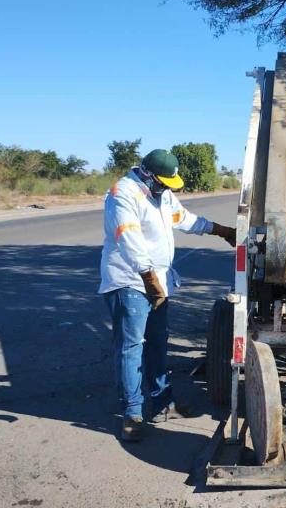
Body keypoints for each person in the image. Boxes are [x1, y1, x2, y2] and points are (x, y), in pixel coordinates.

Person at [98, 149, 235, 441]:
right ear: (147, 174)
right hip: (130, 281)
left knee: (157, 344)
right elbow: (128, 236)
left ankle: (162, 403)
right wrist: (148, 277)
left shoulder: (161, 192)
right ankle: (132, 414)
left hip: (157, 281)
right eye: (161, 183)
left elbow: (183, 218)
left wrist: (220, 230)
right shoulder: (123, 194)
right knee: (131, 348)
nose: (164, 189)